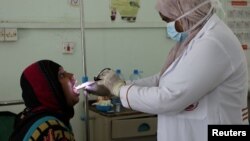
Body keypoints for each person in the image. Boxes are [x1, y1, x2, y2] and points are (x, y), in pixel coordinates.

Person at [86, 0, 249, 141]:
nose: (170, 26)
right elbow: (163, 79)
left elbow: (169, 98)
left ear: (186, 12)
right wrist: (120, 85)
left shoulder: (213, 42)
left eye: (169, 19)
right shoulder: (195, 39)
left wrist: (119, 89)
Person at [9, 60, 79, 141]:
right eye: (62, 75)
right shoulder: (51, 129)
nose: (72, 76)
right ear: (47, 89)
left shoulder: (29, 117)